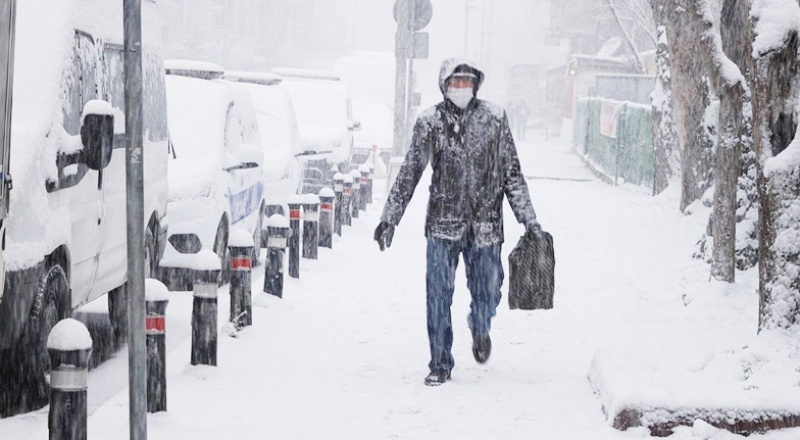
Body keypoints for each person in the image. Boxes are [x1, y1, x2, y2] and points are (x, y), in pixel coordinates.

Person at [373, 58, 541, 386]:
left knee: (489, 291)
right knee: (437, 295)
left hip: (486, 225)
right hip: (443, 224)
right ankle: (440, 362)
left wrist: (529, 220)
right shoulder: (430, 122)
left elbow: (512, 172)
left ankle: (481, 326)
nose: (462, 88)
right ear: (445, 85)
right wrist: (389, 218)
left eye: (467, 83)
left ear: (476, 85)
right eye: (456, 83)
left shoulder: (494, 119)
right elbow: (410, 172)